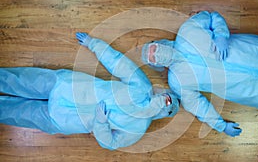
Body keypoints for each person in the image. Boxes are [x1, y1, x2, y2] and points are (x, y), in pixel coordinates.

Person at [0, 32, 180, 150]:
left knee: (13, 110)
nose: (163, 100)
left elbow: (110, 142)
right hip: (67, 86)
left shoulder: (137, 129)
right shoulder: (142, 88)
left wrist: (100, 123)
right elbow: (119, 64)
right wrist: (94, 44)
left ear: (163, 112)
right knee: (16, 81)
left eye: (166, 103)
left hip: (64, 118)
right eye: (166, 98)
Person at [141, 11, 258, 137]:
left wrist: (221, 35)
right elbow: (197, 105)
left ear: (159, 43)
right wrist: (220, 125)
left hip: (250, 52)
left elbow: (211, 17)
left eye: (154, 48)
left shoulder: (187, 31)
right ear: (156, 65)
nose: (157, 54)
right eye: (153, 58)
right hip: (244, 87)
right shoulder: (177, 81)